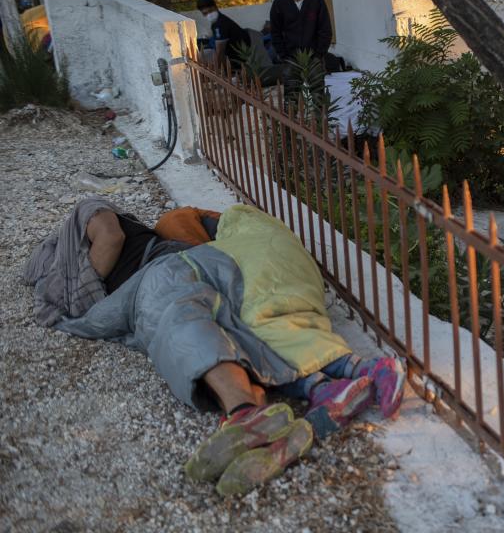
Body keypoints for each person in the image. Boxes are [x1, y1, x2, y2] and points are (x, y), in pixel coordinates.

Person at [23, 199, 405, 497]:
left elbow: (111, 237)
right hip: (187, 270)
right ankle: (335, 383)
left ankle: (244, 411)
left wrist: (79, 292)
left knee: (174, 317)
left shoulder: (83, 216)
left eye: (49, 260)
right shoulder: (61, 270)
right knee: (236, 322)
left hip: (160, 271)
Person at [268, 0, 333, 63]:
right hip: (290, 62)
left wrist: (318, 56)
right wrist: (284, 57)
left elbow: (325, 31)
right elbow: (275, 33)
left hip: (315, 62)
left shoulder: (317, 1)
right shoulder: (279, 3)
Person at [196, 0, 251, 71]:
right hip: (234, 58)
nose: (209, 15)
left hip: (236, 60)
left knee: (202, 56)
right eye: (205, 13)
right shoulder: (217, 23)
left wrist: (219, 71)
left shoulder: (221, 24)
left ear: (215, 7)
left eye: (210, 11)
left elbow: (220, 51)